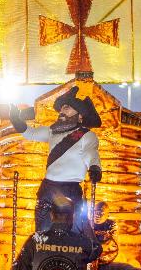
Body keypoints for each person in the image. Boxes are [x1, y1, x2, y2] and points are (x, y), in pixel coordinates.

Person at [9, 84, 102, 232]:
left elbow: (91, 152)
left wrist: (95, 167)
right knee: (42, 232)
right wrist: (16, 120)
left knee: (74, 233)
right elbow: (30, 133)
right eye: (62, 108)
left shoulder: (86, 135)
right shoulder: (52, 131)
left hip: (70, 190)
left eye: (67, 108)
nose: (62, 111)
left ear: (80, 116)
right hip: (48, 188)